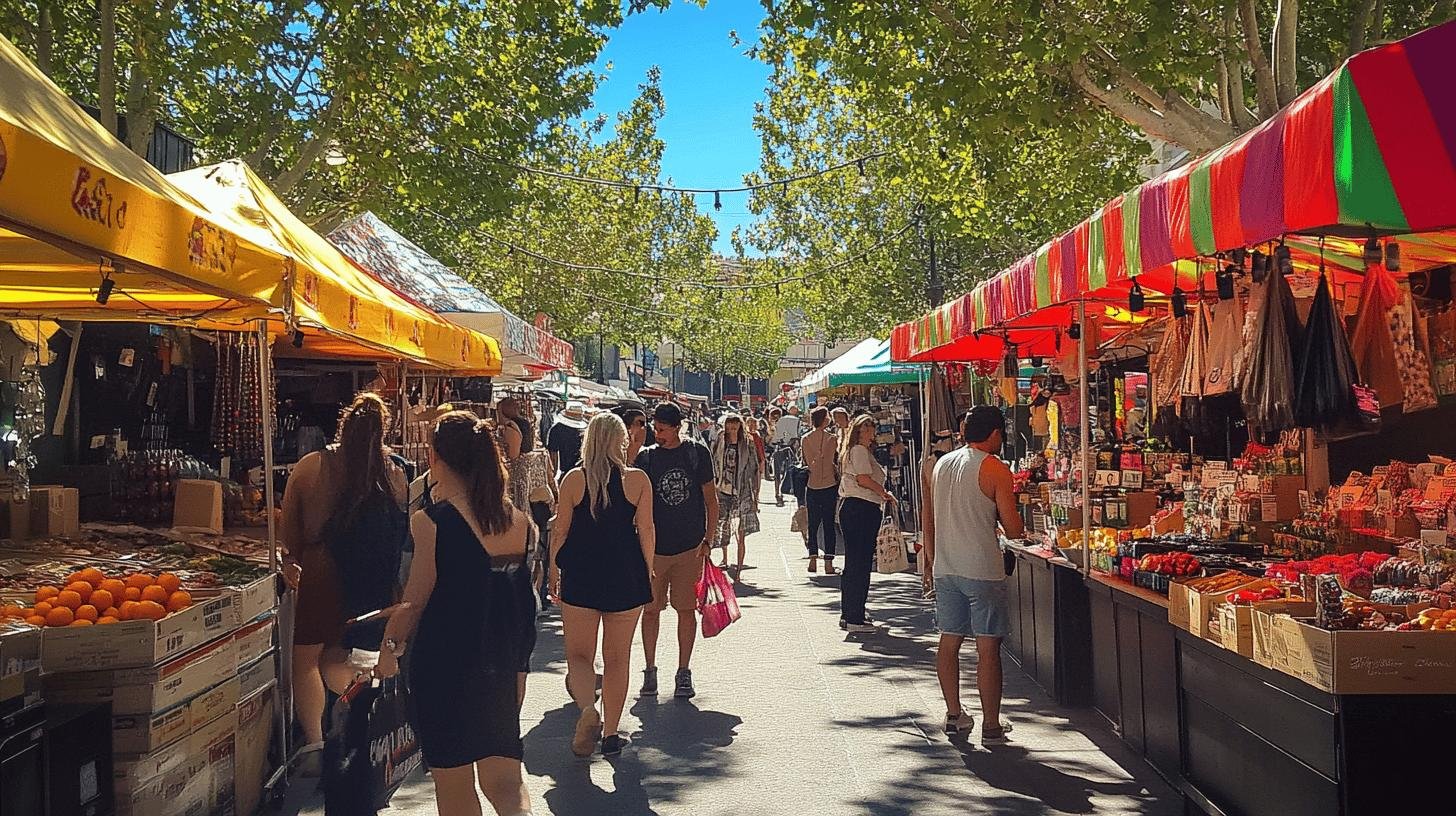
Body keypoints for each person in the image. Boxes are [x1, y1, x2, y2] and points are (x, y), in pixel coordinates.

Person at [375, 411, 538, 815]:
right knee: (506, 783)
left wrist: (388, 650)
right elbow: (522, 608)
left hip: (445, 669)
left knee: (454, 788)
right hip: (501, 668)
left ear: (434, 458)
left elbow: (415, 601)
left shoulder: (432, 522)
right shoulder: (521, 524)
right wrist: (519, 670)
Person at [280, 393, 408, 771]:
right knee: (341, 652)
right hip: (376, 577)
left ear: (343, 423)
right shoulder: (397, 471)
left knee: (306, 660)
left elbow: (291, 534)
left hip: (324, 572)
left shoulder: (311, 466)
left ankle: (317, 745)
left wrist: (293, 560)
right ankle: (362, 697)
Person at [549, 413, 655, 757]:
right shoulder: (637, 480)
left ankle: (586, 709)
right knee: (618, 657)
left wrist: (553, 570)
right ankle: (611, 733)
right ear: (620, 441)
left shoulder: (573, 480)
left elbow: (560, 531)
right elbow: (647, 531)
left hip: (581, 573)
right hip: (625, 574)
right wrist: (648, 569)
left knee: (579, 656)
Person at [922, 406, 1023, 743]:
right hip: (981, 567)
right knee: (987, 649)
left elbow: (931, 518)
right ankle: (991, 725)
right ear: (994, 433)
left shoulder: (942, 464)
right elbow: (1013, 527)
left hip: (946, 567)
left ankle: (954, 713)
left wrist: (930, 559)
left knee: (948, 641)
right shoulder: (995, 469)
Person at [634, 402, 718, 700]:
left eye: (662, 429)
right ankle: (650, 669)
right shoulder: (645, 458)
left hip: (689, 548)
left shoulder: (696, 454)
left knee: (686, 611)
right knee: (651, 610)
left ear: (677, 427)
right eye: (654, 429)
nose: (657, 434)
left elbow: (711, 499)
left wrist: (709, 539)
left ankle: (684, 671)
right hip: (654, 550)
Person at [837, 414, 895, 633]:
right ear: (859, 432)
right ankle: (854, 616)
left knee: (855, 563)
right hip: (861, 508)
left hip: (856, 508)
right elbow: (863, 478)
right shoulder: (859, 451)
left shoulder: (855, 451)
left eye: (872, 429)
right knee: (859, 564)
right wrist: (884, 493)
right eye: (867, 429)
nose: (871, 433)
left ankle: (851, 613)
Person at [711, 413, 761, 575]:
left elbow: (754, 467)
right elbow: (713, 461)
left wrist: (756, 492)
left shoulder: (747, 442)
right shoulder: (720, 440)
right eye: (729, 427)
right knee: (722, 524)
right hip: (723, 488)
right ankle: (725, 557)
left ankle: (739, 569)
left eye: (735, 426)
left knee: (742, 530)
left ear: (740, 426)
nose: (732, 430)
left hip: (742, 490)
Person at [801, 406, 839, 575]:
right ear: (825, 419)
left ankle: (813, 559)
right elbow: (833, 460)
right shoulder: (832, 439)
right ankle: (829, 563)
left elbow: (806, 461)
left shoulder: (805, 439)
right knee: (829, 524)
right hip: (829, 483)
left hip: (812, 484)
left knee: (813, 524)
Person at [769, 405, 802, 506]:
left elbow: (774, 440)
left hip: (780, 448)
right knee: (787, 471)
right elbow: (796, 435)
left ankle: (778, 493)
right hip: (789, 448)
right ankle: (784, 490)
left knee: (777, 473)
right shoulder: (794, 421)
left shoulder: (778, 424)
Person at [546, 401, 588, 479]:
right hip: (583, 471)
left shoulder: (556, 429)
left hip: (566, 473)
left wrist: (553, 474)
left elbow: (553, 455)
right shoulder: (584, 430)